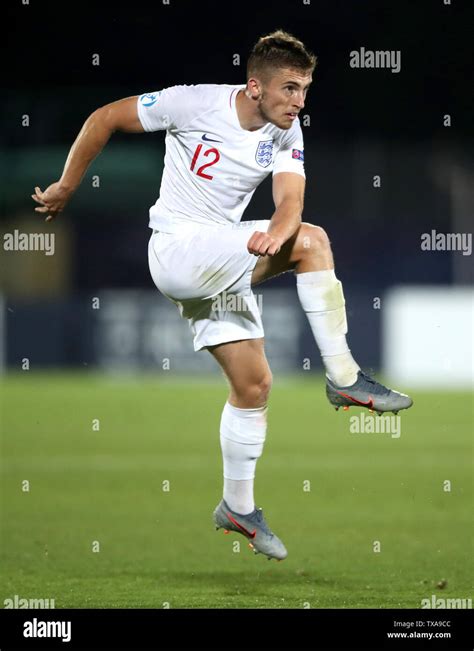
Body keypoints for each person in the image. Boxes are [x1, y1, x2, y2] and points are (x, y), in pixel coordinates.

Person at [32, 30, 412, 561]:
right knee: (316, 244)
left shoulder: (286, 130)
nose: (300, 101)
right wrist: (68, 185)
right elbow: (105, 117)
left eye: (305, 89)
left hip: (220, 258)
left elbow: (289, 202)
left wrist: (279, 233)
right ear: (255, 86)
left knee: (254, 386)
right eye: (290, 88)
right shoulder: (192, 102)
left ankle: (237, 508)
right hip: (178, 249)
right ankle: (345, 378)